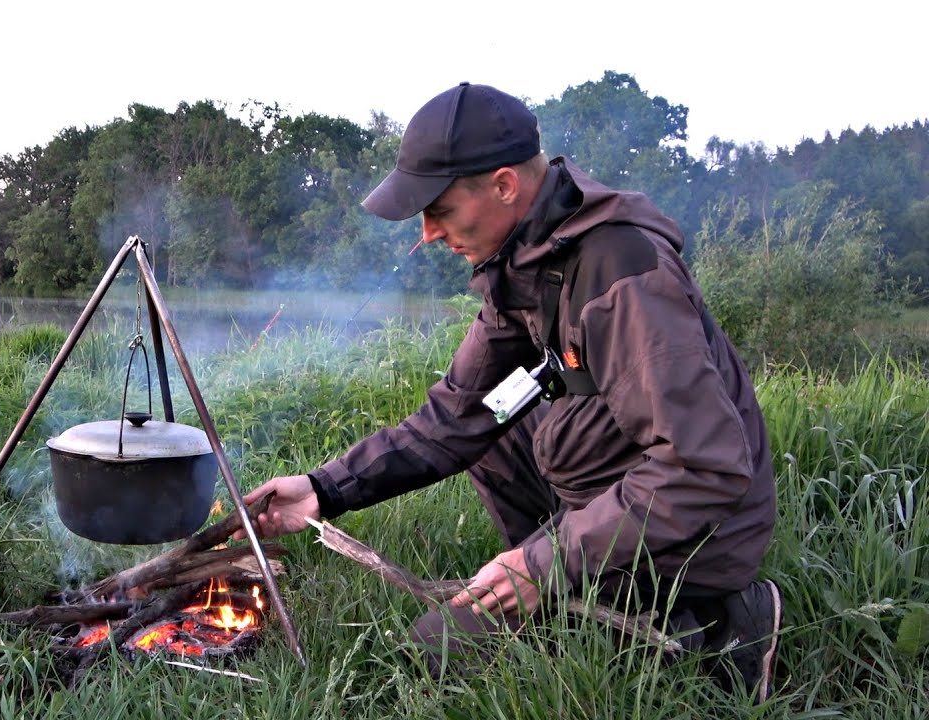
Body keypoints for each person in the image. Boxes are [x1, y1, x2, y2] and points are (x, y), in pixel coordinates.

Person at [240, 82, 782, 701]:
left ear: (503, 185)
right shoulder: (527, 264)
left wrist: (546, 562)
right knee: (493, 423)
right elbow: (454, 418)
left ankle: (721, 626)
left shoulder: (620, 272)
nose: (428, 233)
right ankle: (560, 599)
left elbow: (703, 467)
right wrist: (323, 490)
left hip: (701, 532)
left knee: (431, 655)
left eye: (439, 209)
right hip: (613, 494)